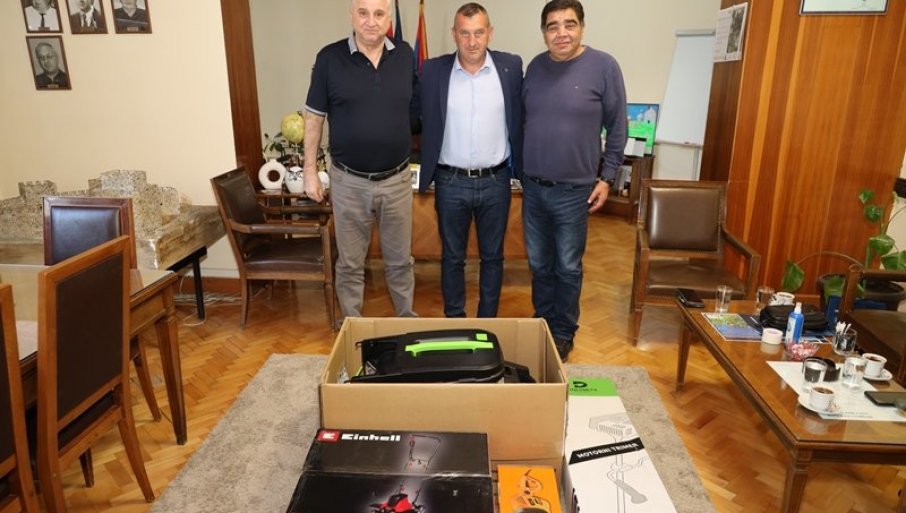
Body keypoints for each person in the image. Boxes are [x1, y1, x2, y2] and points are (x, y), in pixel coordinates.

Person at [522, 0, 627, 360]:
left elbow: (618, 127)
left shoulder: (604, 66)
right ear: (544, 33)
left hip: (574, 191)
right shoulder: (535, 68)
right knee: (539, 264)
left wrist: (607, 177)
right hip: (533, 187)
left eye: (569, 24)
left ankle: (563, 331)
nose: (561, 33)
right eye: (553, 26)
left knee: (567, 266)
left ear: (582, 27)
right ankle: (542, 322)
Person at [302, 0, 419, 321]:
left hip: (397, 181)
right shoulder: (329, 59)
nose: (371, 21)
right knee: (350, 264)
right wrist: (310, 171)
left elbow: (414, 111)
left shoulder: (405, 55)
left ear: (388, 18)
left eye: (379, 14)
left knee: (400, 261)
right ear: (351, 15)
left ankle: (406, 320)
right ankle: (351, 326)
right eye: (363, 13)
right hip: (348, 182)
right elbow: (314, 118)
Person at [418, 3, 522, 318]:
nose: (472, 41)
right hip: (450, 181)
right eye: (465, 33)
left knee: (493, 258)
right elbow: (411, 116)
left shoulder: (511, 67)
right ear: (454, 34)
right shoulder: (432, 71)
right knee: (452, 258)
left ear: (490, 32)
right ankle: (455, 320)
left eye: (479, 33)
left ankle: (488, 321)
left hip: (496, 181)